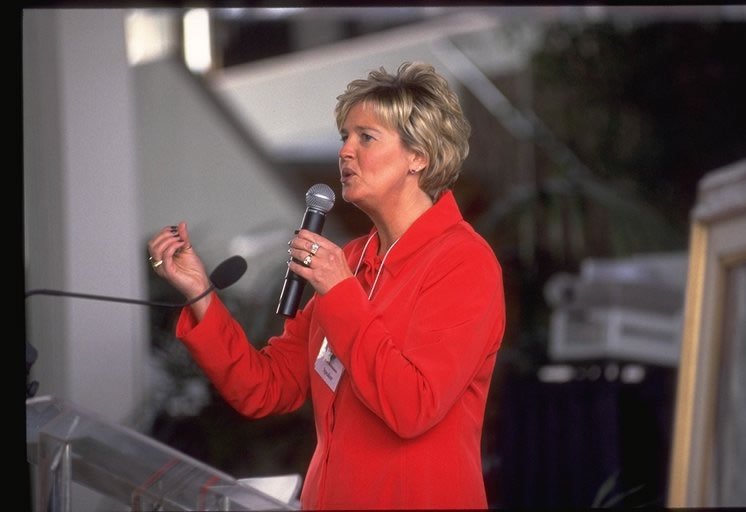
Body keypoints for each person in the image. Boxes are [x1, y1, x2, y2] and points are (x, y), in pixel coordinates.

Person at [148, 61, 505, 509]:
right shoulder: (350, 261)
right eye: (344, 137)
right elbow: (265, 387)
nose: (345, 151)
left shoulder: (463, 262)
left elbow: (412, 407)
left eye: (366, 137)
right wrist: (201, 294)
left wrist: (340, 293)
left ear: (419, 156)